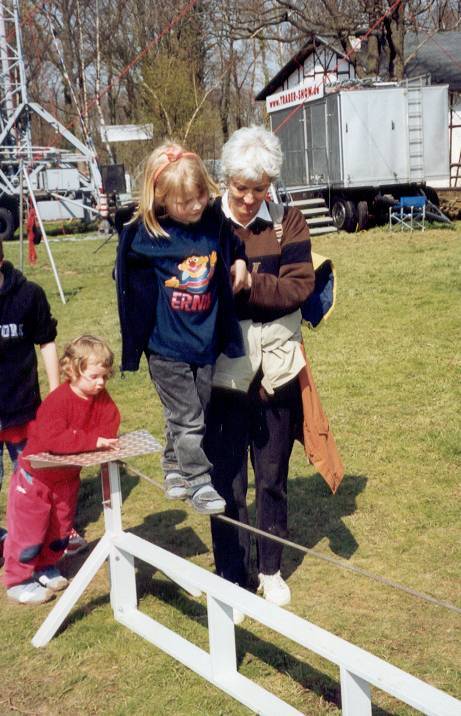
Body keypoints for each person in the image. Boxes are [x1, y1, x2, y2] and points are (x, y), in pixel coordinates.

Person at [204, 126, 318, 616]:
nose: (250, 199)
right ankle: (232, 571)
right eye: (240, 188)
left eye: (259, 188)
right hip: (222, 371)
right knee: (226, 478)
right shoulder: (206, 221)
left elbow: (299, 288)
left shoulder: (289, 221)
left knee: (271, 476)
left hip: (276, 370)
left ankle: (269, 570)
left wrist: (249, 285)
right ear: (225, 180)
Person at [115, 142, 247, 516]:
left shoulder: (213, 221)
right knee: (187, 417)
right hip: (166, 347)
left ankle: (173, 465)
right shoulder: (147, 235)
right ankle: (199, 482)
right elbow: (125, 271)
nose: (194, 206)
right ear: (161, 200)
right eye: (183, 201)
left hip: (204, 341)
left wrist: (239, 262)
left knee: (196, 412)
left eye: (200, 196)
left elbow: (232, 244)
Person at [3, 335, 120, 604]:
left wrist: (86, 438)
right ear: (73, 370)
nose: (101, 383)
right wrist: (90, 440)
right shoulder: (58, 401)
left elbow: (111, 422)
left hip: (67, 477)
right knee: (28, 531)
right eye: (94, 376)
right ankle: (18, 580)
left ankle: (46, 564)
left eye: (104, 377)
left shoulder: (100, 396)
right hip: (36, 478)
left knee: (60, 528)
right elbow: (53, 439)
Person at [0, 239, 59, 568]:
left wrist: (55, 394)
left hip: (22, 406)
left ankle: (38, 538)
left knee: (33, 480)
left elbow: (46, 342)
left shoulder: (29, 295)